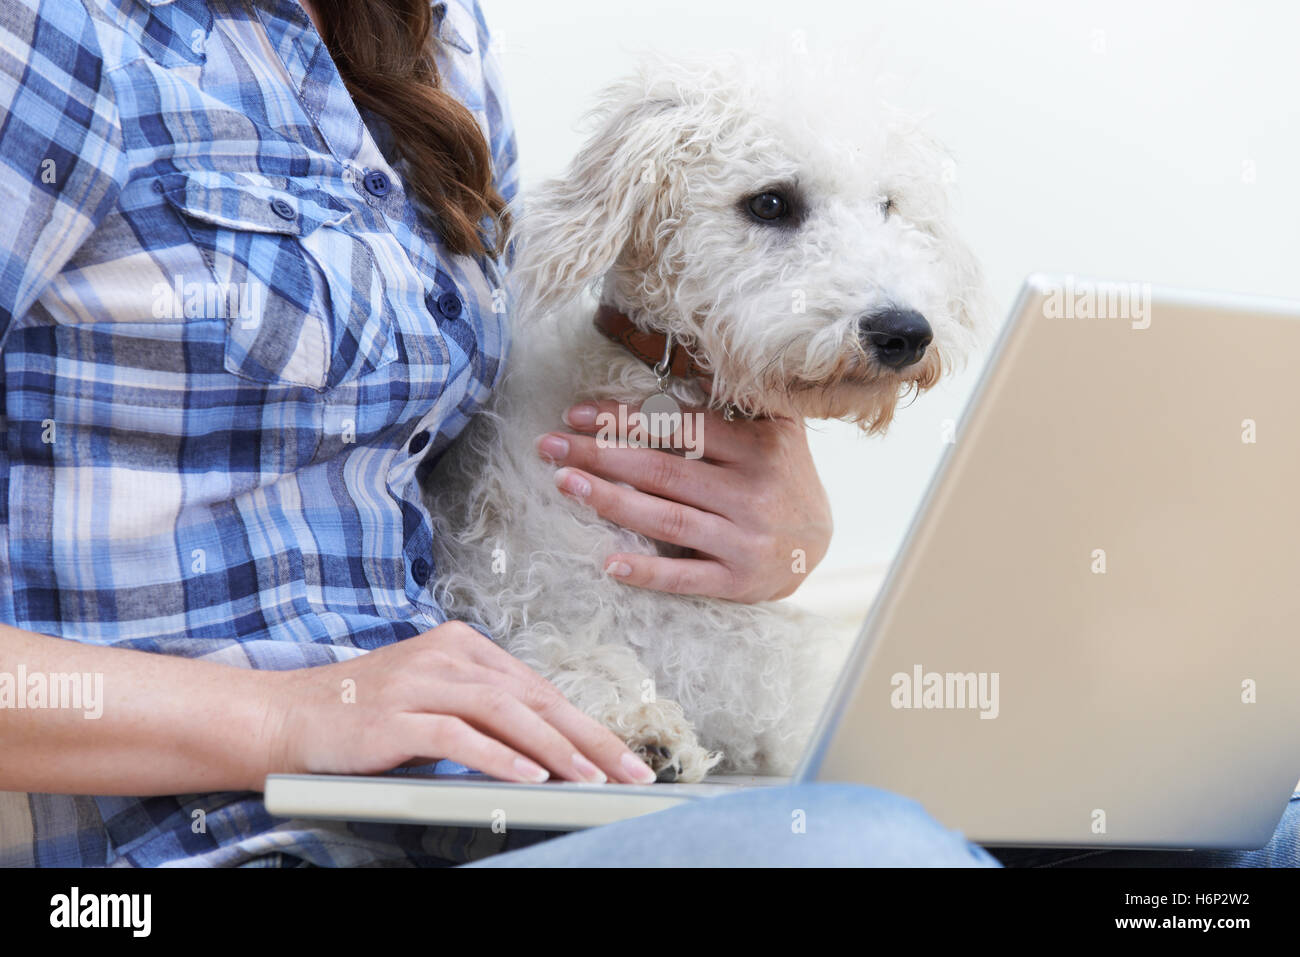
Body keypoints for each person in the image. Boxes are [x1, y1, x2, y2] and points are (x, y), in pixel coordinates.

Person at [0, 0, 1293, 868]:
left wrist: (773, 501)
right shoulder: (58, 42)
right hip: (225, 840)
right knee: (867, 851)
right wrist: (287, 714)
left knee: (1236, 832)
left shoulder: (416, 33)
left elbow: (496, 395)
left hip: (493, 787)